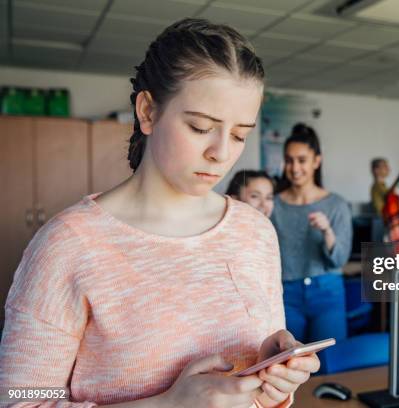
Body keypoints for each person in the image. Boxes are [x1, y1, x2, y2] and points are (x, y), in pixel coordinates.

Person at [0, 19, 319, 408]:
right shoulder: (69, 244)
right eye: (201, 127)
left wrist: (274, 377)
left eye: (239, 135)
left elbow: (254, 393)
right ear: (148, 112)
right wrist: (167, 404)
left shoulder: (255, 231)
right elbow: (20, 398)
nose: (222, 153)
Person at [270, 123, 352, 344]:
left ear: (317, 161)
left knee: (330, 362)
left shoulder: (336, 205)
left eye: (302, 160)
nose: (295, 168)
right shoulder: (273, 205)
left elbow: (340, 259)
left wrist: (327, 231)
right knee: (289, 365)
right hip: (286, 293)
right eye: (289, 160)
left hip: (327, 291)